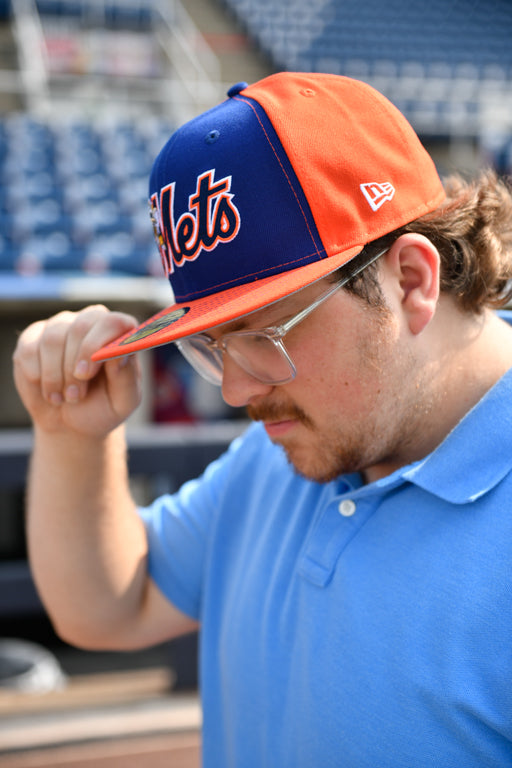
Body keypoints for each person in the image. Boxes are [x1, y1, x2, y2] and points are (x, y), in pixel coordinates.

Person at [12, 72, 512, 766]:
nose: (237, 392)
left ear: (413, 281)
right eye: (213, 345)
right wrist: (72, 432)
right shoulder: (283, 451)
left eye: (266, 334)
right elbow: (106, 607)